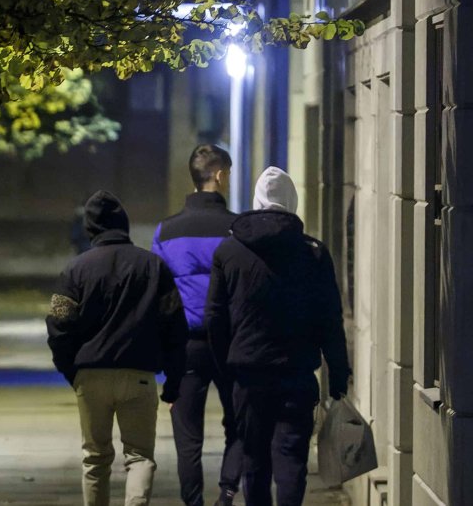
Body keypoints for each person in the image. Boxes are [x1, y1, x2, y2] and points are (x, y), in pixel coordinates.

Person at [205, 167, 350, 506]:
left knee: (254, 458)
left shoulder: (229, 252)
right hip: (297, 374)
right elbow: (330, 319)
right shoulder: (313, 253)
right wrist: (339, 374)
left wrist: (224, 367)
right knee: (291, 459)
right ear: (291, 201)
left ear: (257, 201)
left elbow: (215, 316)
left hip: (248, 375)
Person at [47, 190, 188, 506]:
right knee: (139, 456)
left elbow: (58, 325)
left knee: (95, 459)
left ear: (90, 230)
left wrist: (72, 369)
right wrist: (174, 380)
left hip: (91, 376)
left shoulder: (75, 269)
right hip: (139, 375)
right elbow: (175, 326)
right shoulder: (153, 267)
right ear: (124, 225)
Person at [151, 145, 242, 506]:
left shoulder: (166, 231)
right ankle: (227, 493)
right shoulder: (238, 229)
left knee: (187, 436)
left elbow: (161, 298)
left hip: (185, 346)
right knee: (238, 423)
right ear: (219, 175)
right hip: (231, 344)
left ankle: (193, 503)